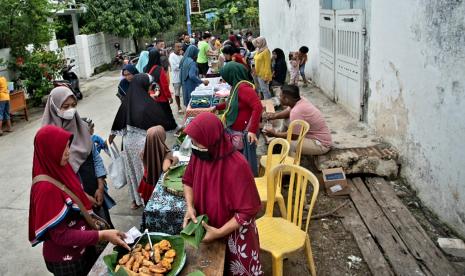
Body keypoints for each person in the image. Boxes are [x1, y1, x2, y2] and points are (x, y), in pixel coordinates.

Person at [29, 125, 129, 276]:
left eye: (68, 146)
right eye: (63, 148)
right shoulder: (45, 189)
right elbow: (60, 235)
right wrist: (102, 235)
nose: (68, 152)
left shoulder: (61, 169)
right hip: (66, 259)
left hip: (82, 247)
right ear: (49, 151)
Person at [182, 113, 262, 276]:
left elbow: (248, 211)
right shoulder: (199, 155)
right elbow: (188, 180)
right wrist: (189, 207)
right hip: (207, 229)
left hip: (235, 235)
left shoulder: (238, 166)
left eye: (198, 141)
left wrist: (219, 232)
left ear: (212, 140)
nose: (194, 145)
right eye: (193, 141)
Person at [42, 87, 114, 226]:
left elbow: (95, 157)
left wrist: (100, 186)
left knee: (104, 228)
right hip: (72, 197)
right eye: (65, 106)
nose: (71, 110)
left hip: (94, 190)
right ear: (54, 107)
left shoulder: (82, 127)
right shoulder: (48, 137)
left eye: (74, 105)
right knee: (85, 236)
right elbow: (56, 177)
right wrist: (82, 197)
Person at [110, 74, 176, 209]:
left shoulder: (127, 101)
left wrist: (110, 140)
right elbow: (163, 123)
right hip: (145, 142)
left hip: (128, 144)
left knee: (133, 171)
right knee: (147, 171)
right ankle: (149, 198)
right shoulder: (148, 104)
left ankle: (137, 199)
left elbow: (118, 123)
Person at [217, 62, 262, 175]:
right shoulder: (236, 86)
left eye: (226, 77)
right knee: (239, 157)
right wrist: (217, 107)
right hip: (237, 131)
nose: (225, 80)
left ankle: (247, 178)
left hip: (245, 132)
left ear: (232, 75)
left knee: (245, 159)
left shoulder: (243, 88)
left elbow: (258, 106)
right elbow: (231, 103)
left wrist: (251, 131)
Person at [264, 85, 332, 155]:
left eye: (280, 96)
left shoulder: (296, 111)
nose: (279, 98)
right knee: (286, 119)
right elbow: (287, 112)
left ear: (286, 99)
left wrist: (275, 134)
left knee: (290, 143)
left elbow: (294, 136)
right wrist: (274, 116)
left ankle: (290, 163)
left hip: (321, 144)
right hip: (311, 136)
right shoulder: (300, 100)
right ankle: (279, 139)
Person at [138, 126, 178, 204]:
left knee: (148, 203)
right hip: (158, 185)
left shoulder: (144, 152)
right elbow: (166, 168)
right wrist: (174, 160)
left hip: (147, 181)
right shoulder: (166, 153)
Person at [143, 49, 178, 130]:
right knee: (167, 113)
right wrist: (169, 97)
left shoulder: (146, 68)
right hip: (161, 96)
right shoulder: (159, 69)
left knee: (158, 113)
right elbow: (164, 85)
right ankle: (172, 127)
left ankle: (161, 127)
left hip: (152, 95)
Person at [169, 42, 184, 113]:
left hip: (183, 77)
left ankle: (185, 105)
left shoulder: (182, 56)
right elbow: (174, 67)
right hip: (176, 78)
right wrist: (182, 66)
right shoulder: (172, 56)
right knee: (177, 93)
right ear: (174, 48)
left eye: (180, 47)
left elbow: (184, 64)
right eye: (178, 47)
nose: (179, 48)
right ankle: (179, 107)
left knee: (183, 92)